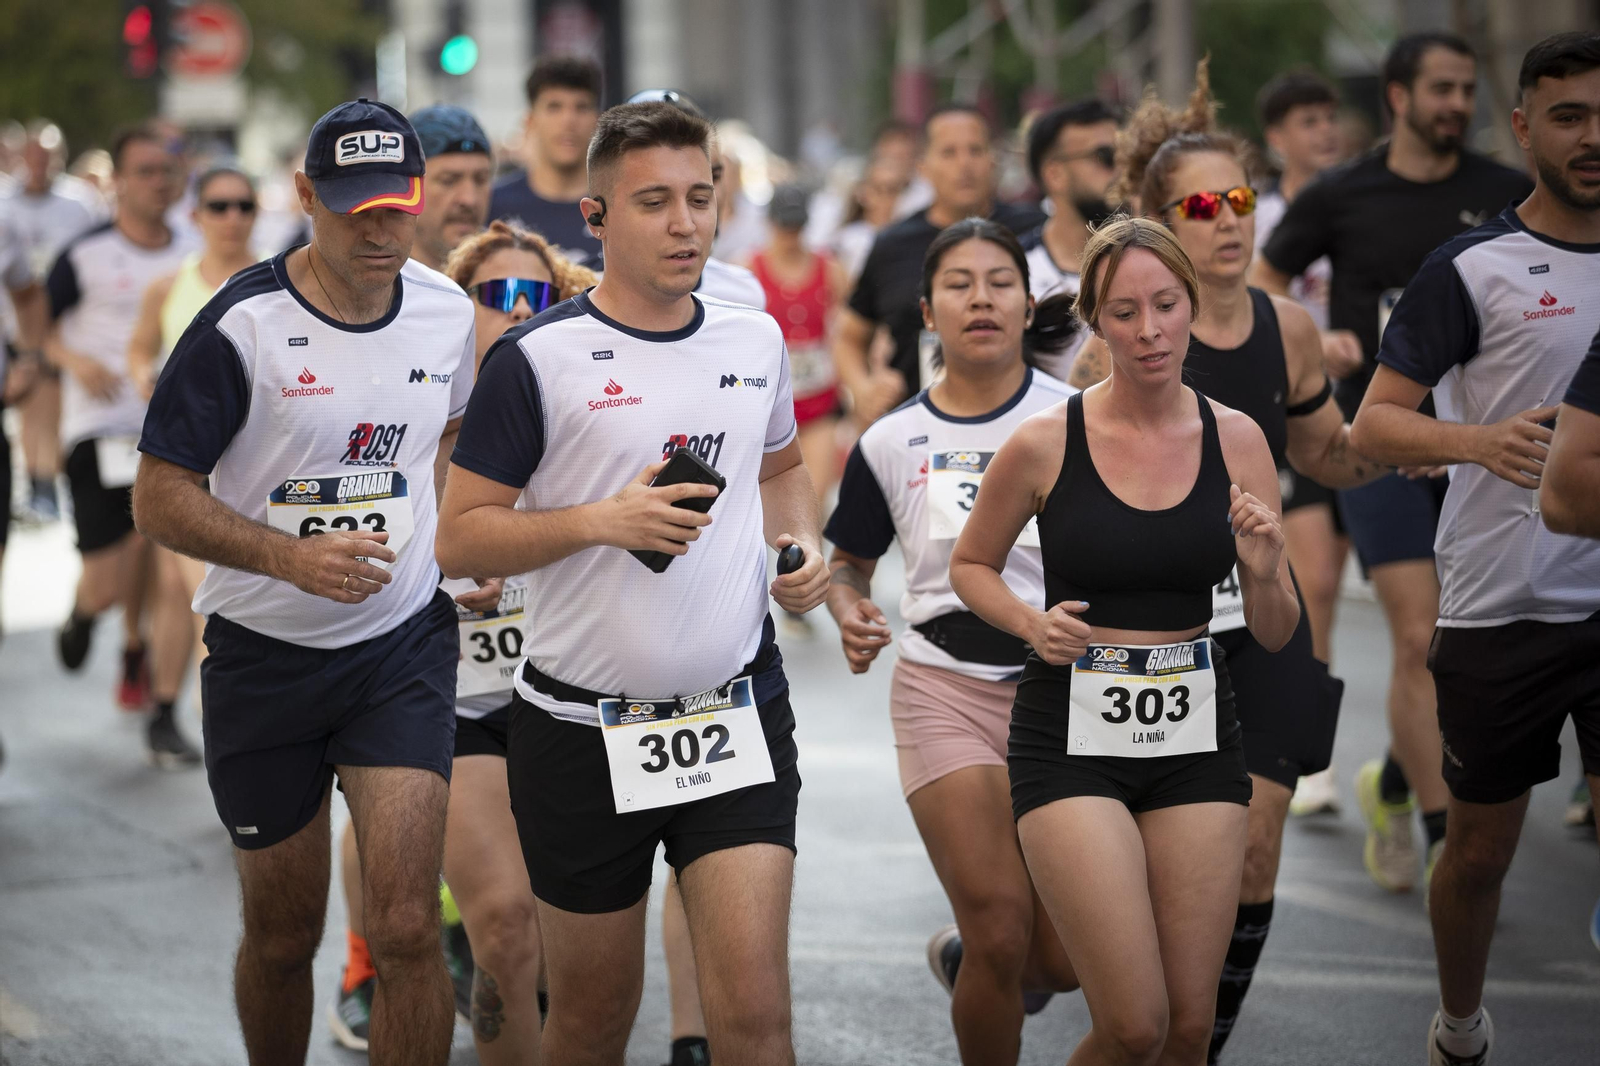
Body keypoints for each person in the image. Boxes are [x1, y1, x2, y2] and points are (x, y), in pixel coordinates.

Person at [435, 100, 829, 1066]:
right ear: (597, 216)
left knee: (755, 1018)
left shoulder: (754, 341)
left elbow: (780, 471)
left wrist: (802, 548)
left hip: (735, 713)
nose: (687, 223)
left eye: (701, 198)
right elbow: (459, 537)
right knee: (593, 1020)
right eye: (654, 202)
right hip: (577, 731)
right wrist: (600, 522)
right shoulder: (538, 359)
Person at [131, 98, 480, 1066]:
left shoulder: (448, 312)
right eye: (352, 206)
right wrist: (288, 556)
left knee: (407, 925)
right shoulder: (240, 326)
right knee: (284, 938)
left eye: (395, 206)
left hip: (400, 647)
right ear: (304, 197)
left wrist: (466, 543)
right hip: (263, 659)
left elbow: (447, 437)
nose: (378, 227)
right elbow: (158, 496)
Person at [1067, 63, 1391, 1061]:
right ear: (1158, 218)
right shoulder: (1118, 346)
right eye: (1199, 205)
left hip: (1262, 614)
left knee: (1256, 847)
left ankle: (1196, 1044)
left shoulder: (1286, 327)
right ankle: (1070, 983)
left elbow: (1328, 456)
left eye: (1238, 199)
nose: (1225, 220)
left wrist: (1430, 430)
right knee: (1135, 891)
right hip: (1147, 637)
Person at [948, 215, 1298, 1066]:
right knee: (1133, 1024)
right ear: (1096, 323)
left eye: (1167, 305)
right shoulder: (1043, 441)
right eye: (1127, 312)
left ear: (1191, 306)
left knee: (1186, 1030)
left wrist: (1260, 564)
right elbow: (971, 567)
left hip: (1196, 732)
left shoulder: (1237, 438)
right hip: (1070, 735)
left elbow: (1278, 629)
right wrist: (1031, 622)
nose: (1151, 331)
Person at [1348, 32, 1600, 1064]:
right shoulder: (1472, 267)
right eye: (1570, 116)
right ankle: (1459, 1021)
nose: (1593, 137)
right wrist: (1475, 442)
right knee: (1482, 853)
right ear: (1524, 128)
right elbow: (1371, 427)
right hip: (1504, 602)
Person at [1253, 32, 1534, 895]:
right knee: (1419, 636)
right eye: (1441, 89)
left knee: (1472, 648)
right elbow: (1264, 283)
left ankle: (1397, 780)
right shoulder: (1342, 193)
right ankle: (1447, 834)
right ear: (1400, 99)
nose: (1458, 103)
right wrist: (1315, 337)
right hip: (1380, 439)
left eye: (1465, 90)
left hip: (1489, 449)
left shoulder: (1503, 192)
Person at [825, 218, 1080, 1065]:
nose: (982, 299)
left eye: (1000, 281)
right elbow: (849, 562)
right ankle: (983, 954)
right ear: (928, 312)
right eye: (961, 285)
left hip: (1071, 692)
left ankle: (968, 957)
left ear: (1029, 300)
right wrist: (850, 606)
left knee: (1070, 960)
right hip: (945, 689)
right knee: (1003, 930)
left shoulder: (1080, 418)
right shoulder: (892, 440)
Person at [325, 103, 497, 1049]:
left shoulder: (489, 291)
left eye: (480, 178)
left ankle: (457, 939)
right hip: (387, 593)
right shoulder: (364, 287)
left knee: (456, 793)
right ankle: (363, 960)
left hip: (484, 585)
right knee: (388, 791)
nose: (469, 196)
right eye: (454, 180)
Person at [45, 124, 192, 730]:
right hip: (101, 424)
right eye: (146, 171)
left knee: (161, 553)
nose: (159, 182)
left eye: (168, 171)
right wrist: (75, 360)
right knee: (111, 576)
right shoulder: (83, 255)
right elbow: (38, 330)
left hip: (177, 432)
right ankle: (88, 614)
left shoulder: (193, 249)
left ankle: (148, 668)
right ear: (119, 182)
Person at [123, 164, 260, 768]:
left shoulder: (278, 282)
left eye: (243, 205)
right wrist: (141, 378)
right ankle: (224, 740)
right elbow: (137, 346)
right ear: (196, 214)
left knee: (195, 598)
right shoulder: (169, 284)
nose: (232, 217)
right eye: (219, 205)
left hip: (257, 473)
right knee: (201, 595)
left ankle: (164, 712)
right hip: (187, 469)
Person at [1252, 69, 1351, 818]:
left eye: (1329, 119)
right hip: (1292, 410)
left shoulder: (1363, 205)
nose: (1323, 133)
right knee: (1313, 578)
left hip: (1369, 410)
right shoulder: (1254, 216)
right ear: (1275, 138)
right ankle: (1310, 750)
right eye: (1306, 121)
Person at [835, 104, 1045, 428]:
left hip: (1025, 423)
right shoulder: (893, 244)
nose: (964, 165)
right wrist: (863, 390)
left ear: (993, 159)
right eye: (949, 153)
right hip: (917, 432)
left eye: (975, 150)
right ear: (923, 166)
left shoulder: (1037, 231)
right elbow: (849, 335)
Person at [5, 120, 104, 523]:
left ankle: (52, 482)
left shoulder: (79, 202)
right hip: (14, 322)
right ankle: (38, 482)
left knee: (57, 403)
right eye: (32, 155)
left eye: (47, 156)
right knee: (33, 404)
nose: (38, 164)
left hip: (67, 320)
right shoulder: (4, 202)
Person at [748, 184, 848, 497]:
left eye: (798, 226)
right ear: (770, 223)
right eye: (784, 226)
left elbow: (851, 333)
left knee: (815, 496)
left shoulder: (831, 269)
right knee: (773, 499)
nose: (791, 235)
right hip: (769, 403)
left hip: (819, 400)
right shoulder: (748, 269)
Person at [1017, 98, 1120, 381]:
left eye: (1128, 155)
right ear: (1055, 174)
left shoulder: (1156, 260)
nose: (1122, 170)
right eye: (1105, 156)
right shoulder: (1013, 272)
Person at [489, 55, 604, 267]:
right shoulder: (493, 206)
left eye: (581, 107)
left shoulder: (618, 206)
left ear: (597, 121)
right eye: (554, 107)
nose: (568, 120)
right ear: (530, 121)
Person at [407, 106, 494, 272]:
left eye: (480, 179)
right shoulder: (377, 293)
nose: (469, 199)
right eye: (448, 180)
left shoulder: (505, 287)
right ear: (407, 188)